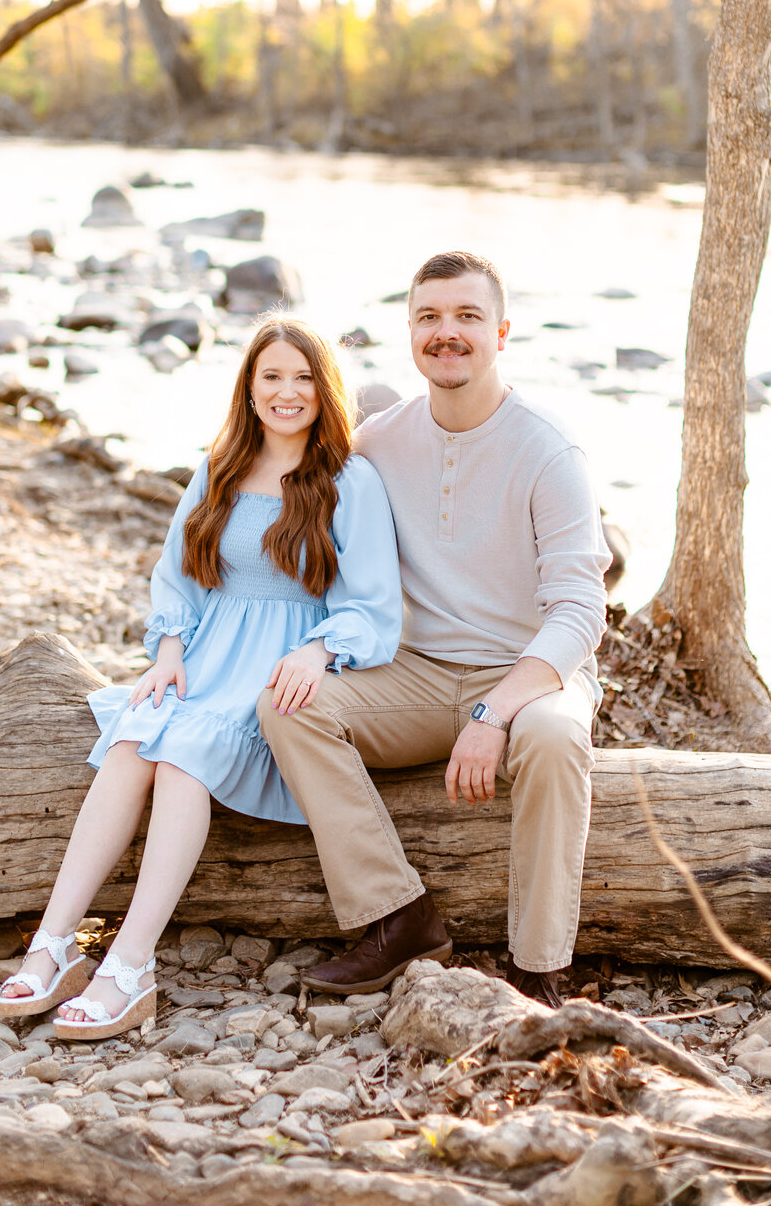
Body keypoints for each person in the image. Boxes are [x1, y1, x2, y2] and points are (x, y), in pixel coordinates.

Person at [0, 316, 402, 1039]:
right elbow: (178, 576)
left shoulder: (349, 480)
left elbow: (372, 604)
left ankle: (129, 965)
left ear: (325, 390)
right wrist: (169, 651)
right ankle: (54, 947)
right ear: (249, 388)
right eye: (271, 376)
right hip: (206, 658)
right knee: (130, 746)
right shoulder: (218, 467)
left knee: (183, 763)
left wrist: (319, 653)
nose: (287, 391)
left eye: (304, 377)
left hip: (276, 673)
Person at [259, 251, 610, 1007]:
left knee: (552, 737)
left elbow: (582, 610)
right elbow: (286, 488)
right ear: (411, 332)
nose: (446, 333)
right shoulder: (378, 442)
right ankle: (399, 917)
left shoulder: (549, 449)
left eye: (467, 317)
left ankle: (539, 970)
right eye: (429, 317)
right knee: (289, 705)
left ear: (502, 334)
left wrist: (495, 713)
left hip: (531, 676)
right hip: (416, 673)